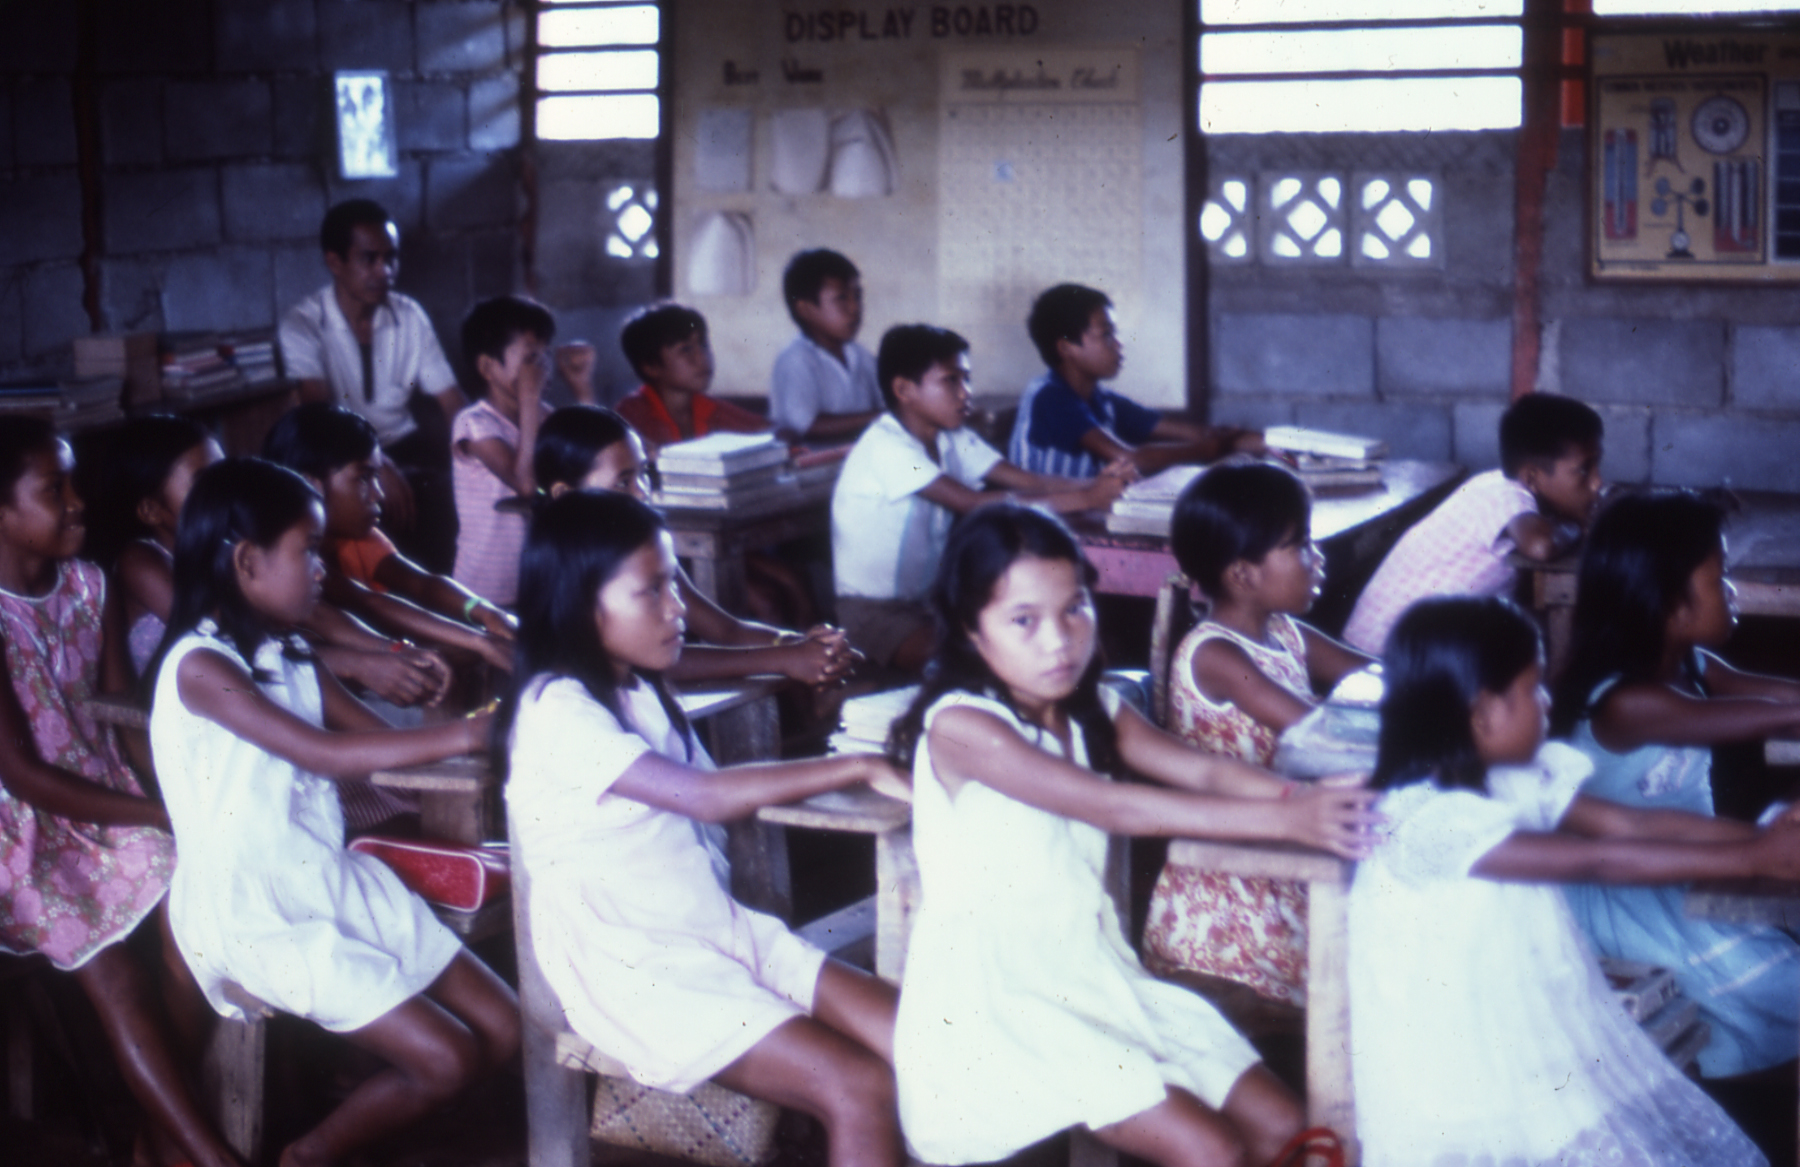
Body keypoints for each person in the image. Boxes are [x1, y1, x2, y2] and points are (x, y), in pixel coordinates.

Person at [887, 503, 1380, 1167]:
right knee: (1211, 1149)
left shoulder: (1091, 707)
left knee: (1283, 1125)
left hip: (1094, 972)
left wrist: (1303, 797)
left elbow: (1203, 770)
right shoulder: (964, 727)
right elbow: (1112, 806)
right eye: (1024, 620)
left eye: (1075, 608)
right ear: (972, 631)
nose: (1059, 640)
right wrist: (1287, 819)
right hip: (999, 999)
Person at [502, 490, 909, 1167]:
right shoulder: (557, 709)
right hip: (635, 966)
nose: (677, 608)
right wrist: (859, 763)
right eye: (653, 590)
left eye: (674, 585)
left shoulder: (633, 684)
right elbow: (705, 797)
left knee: (919, 1046)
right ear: (580, 603)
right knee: (858, 1086)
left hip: (716, 930)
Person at [146, 457, 519, 1167]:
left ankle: (374, 1123)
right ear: (247, 561)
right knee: (448, 1059)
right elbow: (322, 753)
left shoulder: (287, 652)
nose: (322, 569)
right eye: (309, 551)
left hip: (326, 879)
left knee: (503, 1029)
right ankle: (306, 1157)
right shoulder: (200, 666)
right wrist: (471, 734)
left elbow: (375, 748)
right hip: (254, 909)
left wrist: (470, 721)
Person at [1352, 594, 1783, 1166]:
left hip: (1525, 1032)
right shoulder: (1423, 821)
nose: (1549, 702)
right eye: (1533, 689)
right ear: (1482, 714)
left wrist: (1759, 840)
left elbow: (1630, 823)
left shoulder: (1507, 779)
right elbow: (1597, 860)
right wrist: (1752, 859)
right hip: (1458, 1074)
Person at [0, 418, 241, 1167]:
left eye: (74, 483)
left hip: (108, 798)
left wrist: (174, 802)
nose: (78, 501)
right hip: (23, 831)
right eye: (55, 489)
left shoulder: (90, 584)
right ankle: (207, 1154)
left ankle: (158, 1140)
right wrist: (156, 813)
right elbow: (23, 776)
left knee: (198, 915)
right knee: (116, 973)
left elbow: (119, 714)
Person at [1549, 492, 1800, 1081]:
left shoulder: (1692, 664)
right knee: (1776, 988)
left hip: (1686, 860)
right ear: (1668, 604)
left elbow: (1783, 698)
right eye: (1719, 577)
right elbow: (1776, 716)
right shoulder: (1630, 703)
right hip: (1630, 897)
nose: (1731, 591)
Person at [1140, 462, 1376, 1024]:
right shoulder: (1217, 655)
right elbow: (1319, 731)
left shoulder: (1286, 633)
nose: (1318, 559)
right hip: (1236, 895)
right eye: (1300, 546)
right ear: (1243, 574)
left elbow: (1374, 673)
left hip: (1288, 850)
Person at [91, 415, 452, 709]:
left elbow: (319, 615)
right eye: (205, 483)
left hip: (262, 694)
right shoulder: (141, 561)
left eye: (226, 476)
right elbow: (233, 644)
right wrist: (359, 664)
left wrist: (395, 651)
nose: (224, 491)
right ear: (150, 510)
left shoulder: (227, 549)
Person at [832, 324, 1129, 675]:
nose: (966, 393)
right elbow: (971, 503)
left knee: (1043, 641)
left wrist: (1100, 483)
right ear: (904, 390)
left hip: (928, 603)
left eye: (967, 379)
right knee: (983, 660)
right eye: (951, 380)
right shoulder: (889, 447)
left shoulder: (950, 437)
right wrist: (1088, 498)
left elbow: (1028, 480)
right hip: (873, 611)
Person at [532, 404, 859, 688]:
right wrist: (782, 658)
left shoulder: (639, 548)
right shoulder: (561, 565)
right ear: (564, 494)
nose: (642, 491)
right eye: (623, 482)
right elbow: (656, 663)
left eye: (644, 474)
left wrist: (804, 645)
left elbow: (726, 630)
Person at [278, 198, 465, 572]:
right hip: (344, 453)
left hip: (406, 447)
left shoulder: (408, 314)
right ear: (335, 262)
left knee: (450, 501)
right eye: (369, 259)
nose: (385, 270)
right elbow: (319, 415)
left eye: (391, 258)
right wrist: (378, 467)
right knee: (380, 520)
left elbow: (452, 402)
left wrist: (475, 450)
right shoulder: (303, 324)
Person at [263, 403, 514, 677]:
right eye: (363, 478)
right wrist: (478, 641)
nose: (379, 494)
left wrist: (486, 612)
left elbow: (422, 584)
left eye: (376, 478)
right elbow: (369, 602)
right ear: (311, 485)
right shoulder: (288, 554)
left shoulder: (355, 539)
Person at [1342, 392, 1604, 654]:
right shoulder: (1504, 493)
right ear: (1531, 478)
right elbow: (1540, 546)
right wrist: (1575, 527)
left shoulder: (1499, 486)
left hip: (1400, 646)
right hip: (1374, 654)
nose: (1597, 483)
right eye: (1584, 470)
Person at [1007, 283, 1260, 479]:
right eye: (1106, 335)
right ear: (1066, 348)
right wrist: (1206, 449)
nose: (1119, 345)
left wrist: (1265, 442)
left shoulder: (1102, 401)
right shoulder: (1049, 396)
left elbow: (1198, 434)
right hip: (1039, 520)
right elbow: (1130, 458)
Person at [451, 295, 556, 607]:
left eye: (545, 356)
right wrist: (529, 399)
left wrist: (581, 387)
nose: (541, 369)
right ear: (487, 367)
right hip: (483, 590)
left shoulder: (544, 416)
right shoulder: (473, 423)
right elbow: (526, 485)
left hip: (533, 584)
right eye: (530, 358)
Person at [614, 303, 770, 454]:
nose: (702, 358)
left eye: (703, 345)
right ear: (651, 367)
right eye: (686, 349)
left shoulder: (710, 408)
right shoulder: (630, 416)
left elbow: (767, 431)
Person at [770, 248, 884, 443]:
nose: (855, 308)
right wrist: (877, 417)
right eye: (842, 298)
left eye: (857, 296)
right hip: (811, 458)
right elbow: (807, 426)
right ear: (805, 309)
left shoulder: (860, 355)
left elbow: (886, 405)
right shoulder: (795, 360)